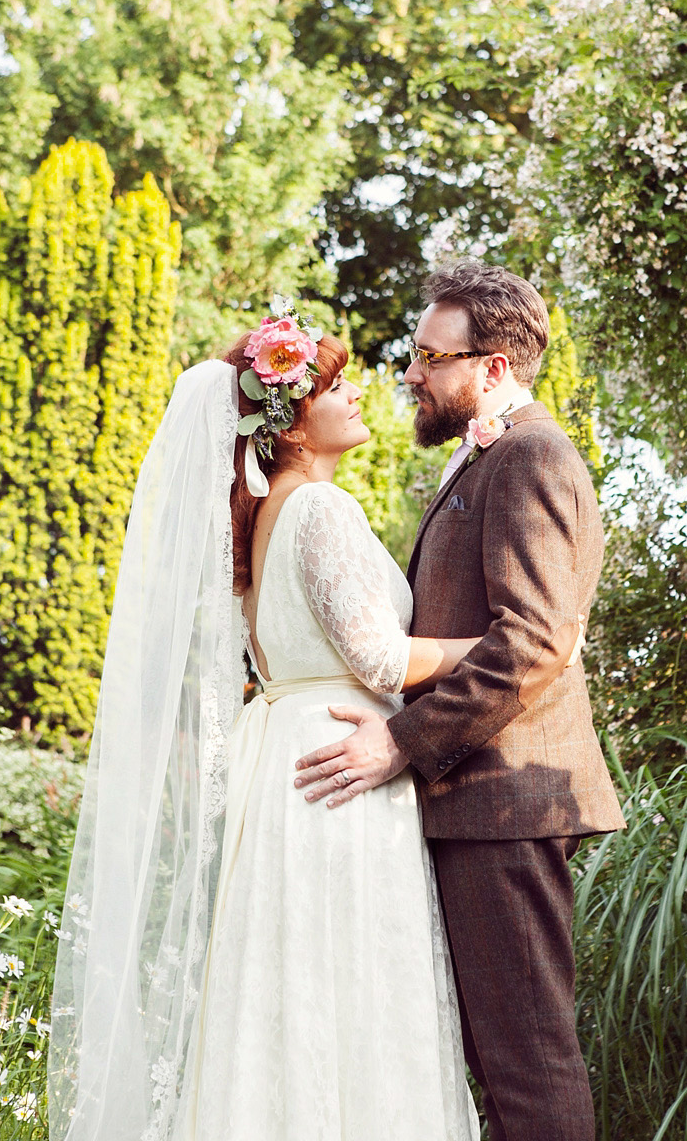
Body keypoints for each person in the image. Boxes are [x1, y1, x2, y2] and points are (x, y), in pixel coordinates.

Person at [49, 300, 489, 1141]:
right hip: (341, 769)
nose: (359, 395)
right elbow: (380, 660)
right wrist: (507, 643)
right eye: (335, 385)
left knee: (285, 995)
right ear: (290, 425)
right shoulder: (319, 508)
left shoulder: (259, 529)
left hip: (288, 765)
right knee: (350, 991)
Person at [294, 260, 627, 1141]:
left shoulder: (533, 457)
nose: (410, 373)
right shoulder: (481, 457)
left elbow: (534, 641)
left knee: (527, 1058)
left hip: (506, 799)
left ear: (492, 368)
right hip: (473, 801)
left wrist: (401, 743)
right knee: (492, 1057)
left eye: (428, 357)